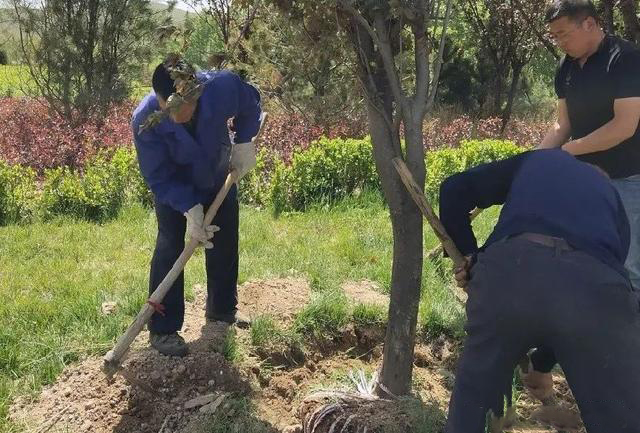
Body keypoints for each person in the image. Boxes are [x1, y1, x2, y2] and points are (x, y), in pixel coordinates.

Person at [439, 149, 640, 433]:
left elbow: (453, 189)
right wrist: (544, 362)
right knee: (622, 417)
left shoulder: (541, 160)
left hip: (510, 273)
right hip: (596, 290)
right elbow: (581, 300)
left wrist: (472, 257)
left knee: (471, 404)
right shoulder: (613, 202)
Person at [533, 0, 640, 401]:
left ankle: (625, 373)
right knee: (572, 269)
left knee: (627, 274)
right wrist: (535, 165)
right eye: (554, 36)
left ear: (591, 23)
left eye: (563, 33)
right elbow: (563, 124)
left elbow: (625, 126)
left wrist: (567, 153)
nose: (557, 41)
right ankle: (543, 364)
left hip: (630, 183)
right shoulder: (566, 71)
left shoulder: (626, 60)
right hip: (583, 184)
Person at [131, 62, 262, 357]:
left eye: (185, 104)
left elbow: (250, 103)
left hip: (217, 176)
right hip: (175, 192)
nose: (178, 115)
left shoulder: (221, 86)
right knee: (170, 246)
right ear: (160, 100)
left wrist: (243, 143)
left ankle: (222, 311)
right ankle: (163, 329)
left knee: (225, 240)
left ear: (196, 90)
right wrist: (189, 209)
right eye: (170, 107)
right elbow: (158, 176)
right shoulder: (145, 121)